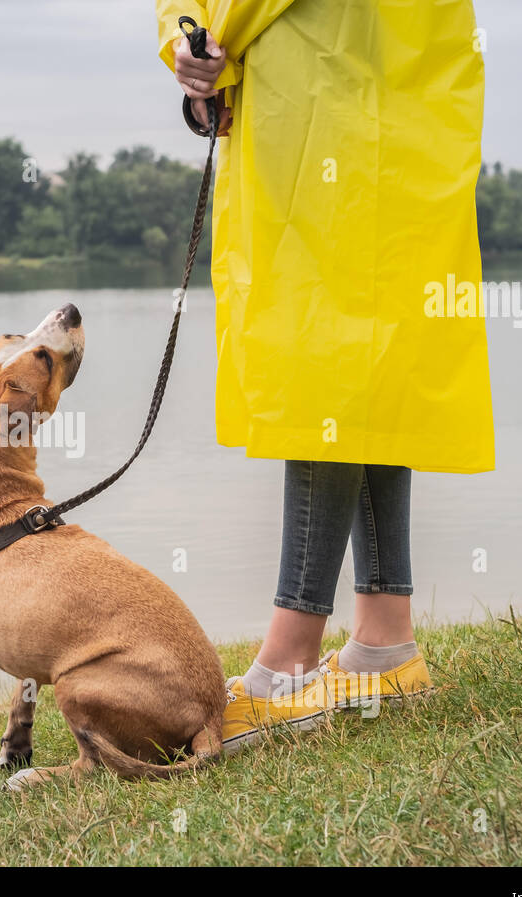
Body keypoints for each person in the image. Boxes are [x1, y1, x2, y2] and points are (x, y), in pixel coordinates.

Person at [155, 0, 494, 750]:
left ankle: (290, 659)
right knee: (362, 365)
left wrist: (221, 42)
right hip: (320, 113)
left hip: (350, 104)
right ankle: (384, 644)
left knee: (327, 370)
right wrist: (191, 56)